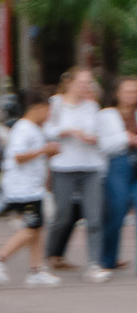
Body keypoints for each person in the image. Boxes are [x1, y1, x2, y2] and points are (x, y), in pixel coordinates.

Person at [43, 68, 120, 280]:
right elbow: (48, 131)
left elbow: (99, 133)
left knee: (94, 217)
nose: (86, 86)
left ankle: (94, 264)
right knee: (63, 215)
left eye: (88, 82)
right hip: (64, 166)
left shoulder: (92, 106)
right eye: (82, 82)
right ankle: (49, 254)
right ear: (70, 83)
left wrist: (94, 138)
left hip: (91, 167)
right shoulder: (57, 103)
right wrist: (69, 131)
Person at [0, 93, 58, 284]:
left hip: (32, 187)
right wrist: (44, 150)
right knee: (32, 228)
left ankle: (36, 270)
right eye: (48, 112)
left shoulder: (32, 129)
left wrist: (46, 154)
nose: (49, 116)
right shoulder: (24, 128)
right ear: (38, 109)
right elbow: (19, 156)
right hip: (22, 188)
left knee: (38, 228)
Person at [98, 77, 137, 273]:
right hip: (117, 164)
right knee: (117, 212)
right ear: (117, 94)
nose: (132, 95)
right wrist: (126, 138)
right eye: (128, 91)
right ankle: (108, 259)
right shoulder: (107, 115)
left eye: (134, 91)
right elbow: (102, 145)